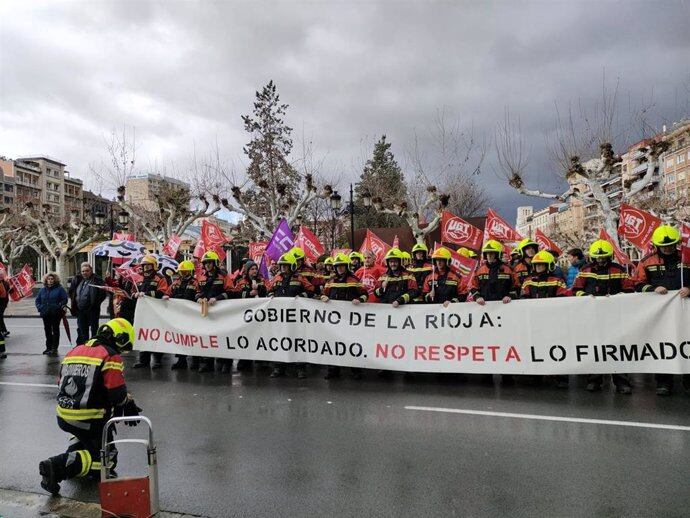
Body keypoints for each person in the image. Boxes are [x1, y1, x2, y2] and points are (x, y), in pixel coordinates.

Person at [38, 318, 141, 495]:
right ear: (120, 338)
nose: (123, 351)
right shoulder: (110, 355)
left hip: (64, 416)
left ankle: (75, 452)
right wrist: (127, 400)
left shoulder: (75, 350)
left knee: (88, 442)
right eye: (125, 345)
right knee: (107, 460)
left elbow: (60, 382)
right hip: (90, 419)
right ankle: (57, 466)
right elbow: (116, 394)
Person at [634, 225, 690, 396]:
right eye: (664, 246)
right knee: (663, 346)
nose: (667, 248)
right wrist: (653, 288)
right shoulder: (646, 262)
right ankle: (664, 382)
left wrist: (689, 288)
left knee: (687, 345)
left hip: (685, 310)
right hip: (660, 313)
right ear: (656, 245)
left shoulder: (686, 257)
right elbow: (636, 284)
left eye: (671, 245)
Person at [573, 239, 634, 394]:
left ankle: (621, 382)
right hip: (592, 315)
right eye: (598, 258)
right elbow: (575, 289)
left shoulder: (618, 269)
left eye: (603, 257)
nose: (600, 260)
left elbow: (629, 288)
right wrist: (586, 296)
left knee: (617, 348)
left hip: (615, 315)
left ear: (609, 256)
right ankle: (594, 380)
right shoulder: (585, 270)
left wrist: (618, 296)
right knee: (595, 347)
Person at [520, 250, 570, 388]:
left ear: (549, 266)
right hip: (535, 321)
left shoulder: (558, 281)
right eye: (537, 265)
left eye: (541, 265)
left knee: (558, 348)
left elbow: (563, 297)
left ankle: (561, 377)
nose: (539, 268)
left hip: (554, 321)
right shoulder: (528, 281)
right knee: (536, 348)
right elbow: (524, 297)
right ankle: (537, 375)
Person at [320, 253, 368, 379]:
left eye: (342, 266)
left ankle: (356, 371)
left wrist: (360, 300)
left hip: (351, 319)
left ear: (346, 266)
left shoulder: (354, 280)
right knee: (334, 344)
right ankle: (333, 371)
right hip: (334, 320)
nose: (340, 268)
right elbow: (323, 294)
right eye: (338, 266)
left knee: (352, 344)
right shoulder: (330, 281)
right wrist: (323, 297)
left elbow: (365, 294)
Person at [267, 251, 314, 378]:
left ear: (292, 266)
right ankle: (278, 367)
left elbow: (311, 290)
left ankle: (300, 368)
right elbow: (269, 290)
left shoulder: (299, 278)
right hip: (280, 317)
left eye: (285, 266)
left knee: (297, 341)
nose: (283, 268)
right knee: (279, 340)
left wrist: (301, 296)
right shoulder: (277, 278)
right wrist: (271, 296)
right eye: (281, 266)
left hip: (296, 317)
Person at [195, 251, 232, 373]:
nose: (207, 265)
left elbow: (231, 292)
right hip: (205, 312)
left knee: (222, 337)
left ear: (215, 263)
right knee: (206, 337)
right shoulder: (201, 277)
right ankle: (206, 362)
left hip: (222, 313)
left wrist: (217, 298)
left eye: (210, 263)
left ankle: (225, 362)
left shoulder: (223, 276)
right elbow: (197, 292)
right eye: (205, 263)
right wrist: (198, 298)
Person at [132, 255, 170, 369]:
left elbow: (162, 292)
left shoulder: (160, 278)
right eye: (144, 266)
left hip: (155, 312)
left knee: (156, 335)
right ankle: (143, 360)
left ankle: (157, 360)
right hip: (142, 312)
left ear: (153, 266)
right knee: (143, 335)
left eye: (148, 265)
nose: (146, 268)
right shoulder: (139, 278)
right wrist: (135, 294)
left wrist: (147, 294)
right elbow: (133, 291)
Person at [231, 259, 267, 372]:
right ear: (247, 271)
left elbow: (268, 290)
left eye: (256, 269)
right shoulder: (241, 282)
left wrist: (260, 289)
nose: (255, 271)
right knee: (246, 336)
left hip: (260, 314)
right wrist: (248, 294)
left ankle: (260, 358)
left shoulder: (261, 280)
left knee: (259, 335)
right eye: (252, 269)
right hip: (246, 315)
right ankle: (244, 360)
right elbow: (235, 294)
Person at [164, 260, 198, 370]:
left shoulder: (196, 283)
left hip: (192, 316)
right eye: (182, 272)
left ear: (191, 272)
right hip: (178, 315)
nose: (184, 275)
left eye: (186, 272)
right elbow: (168, 293)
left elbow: (199, 294)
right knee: (180, 338)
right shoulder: (176, 283)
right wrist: (165, 296)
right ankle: (181, 360)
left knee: (193, 338)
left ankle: (195, 360)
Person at [469, 240, 519, 306]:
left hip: (505, 306)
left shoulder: (508, 270)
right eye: (487, 253)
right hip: (484, 306)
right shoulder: (479, 270)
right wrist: (477, 297)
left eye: (492, 253)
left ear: (498, 254)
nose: (489, 256)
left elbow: (516, 285)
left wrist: (510, 296)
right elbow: (473, 286)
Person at [68, 262, 106, 345]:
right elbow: (72, 292)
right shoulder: (78, 280)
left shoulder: (97, 280)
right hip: (80, 309)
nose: (84, 273)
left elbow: (103, 293)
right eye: (83, 271)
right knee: (82, 329)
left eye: (87, 271)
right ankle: (84, 345)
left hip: (92, 309)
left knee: (94, 329)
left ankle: (94, 345)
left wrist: (95, 303)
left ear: (91, 271)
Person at [35, 272, 69, 357]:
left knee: (55, 330)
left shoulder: (59, 289)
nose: (50, 280)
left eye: (52, 279)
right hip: (45, 313)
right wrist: (40, 308)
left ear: (55, 280)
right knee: (47, 330)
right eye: (49, 279)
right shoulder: (42, 289)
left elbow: (64, 299)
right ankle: (48, 347)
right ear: (46, 280)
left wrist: (59, 306)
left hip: (55, 313)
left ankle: (54, 348)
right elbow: (37, 300)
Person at [0, 270, 9, 338]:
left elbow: (8, 291)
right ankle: (4, 331)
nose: (1, 276)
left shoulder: (6, 283)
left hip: (3, 303)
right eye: (0, 274)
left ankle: (3, 331)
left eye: (2, 274)